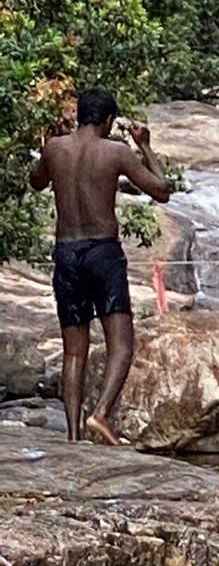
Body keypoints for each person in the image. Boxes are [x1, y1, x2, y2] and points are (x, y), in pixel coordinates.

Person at [29, 86, 171, 444]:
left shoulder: (55, 149)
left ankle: (74, 436)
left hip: (66, 253)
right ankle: (101, 414)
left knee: (74, 350)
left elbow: (36, 181)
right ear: (108, 121)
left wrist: (51, 146)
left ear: (78, 116)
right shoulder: (116, 152)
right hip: (102, 252)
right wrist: (146, 146)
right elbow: (162, 189)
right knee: (121, 342)